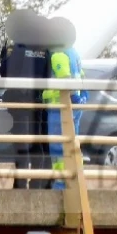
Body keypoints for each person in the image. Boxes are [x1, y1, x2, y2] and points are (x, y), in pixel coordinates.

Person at [0, 9, 51, 189]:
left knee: (21, 145)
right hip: (38, 101)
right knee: (38, 143)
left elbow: (7, 72)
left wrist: (4, 56)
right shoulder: (45, 48)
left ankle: (20, 185)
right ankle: (37, 183)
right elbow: (48, 75)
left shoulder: (19, 46)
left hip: (19, 102)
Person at [42, 17, 88, 191]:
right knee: (73, 144)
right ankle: (77, 179)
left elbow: (64, 80)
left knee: (58, 147)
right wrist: (82, 96)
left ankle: (61, 184)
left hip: (59, 107)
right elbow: (82, 77)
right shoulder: (74, 53)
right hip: (73, 106)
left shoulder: (58, 54)